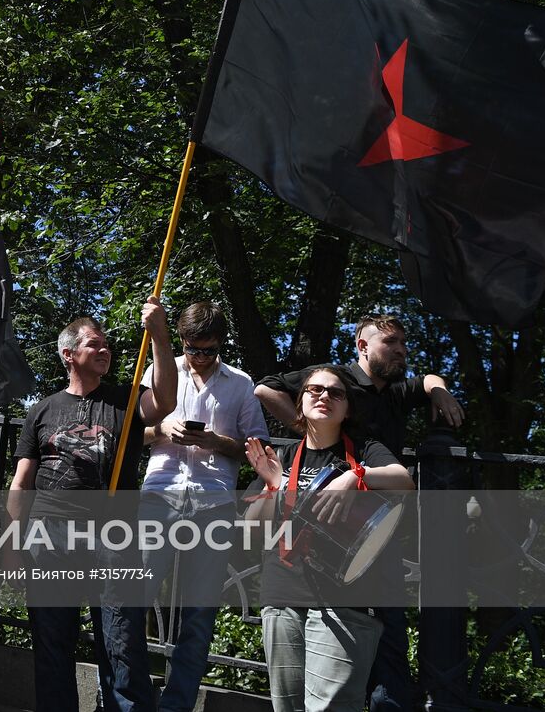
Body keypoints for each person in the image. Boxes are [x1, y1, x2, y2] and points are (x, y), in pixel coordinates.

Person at [254, 313, 464, 711]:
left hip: (376, 531)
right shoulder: (336, 380)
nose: (401, 349)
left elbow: (430, 380)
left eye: (404, 342)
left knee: (386, 644)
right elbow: (264, 389)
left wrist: (440, 393)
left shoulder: (396, 391)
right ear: (363, 346)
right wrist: (314, 435)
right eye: (391, 342)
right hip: (321, 544)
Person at [7, 302, 175, 712]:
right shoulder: (42, 410)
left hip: (113, 535)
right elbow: (22, 481)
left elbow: (166, 401)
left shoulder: (125, 398)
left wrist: (159, 334)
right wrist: (12, 537)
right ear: (69, 354)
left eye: (107, 345)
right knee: (51, 642)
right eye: (93, 344)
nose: (105, 350)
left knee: (122, 641)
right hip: (49, 537)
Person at [245, 365, 415, 712]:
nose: (324, 396)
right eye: (314, 390)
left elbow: (404, 481)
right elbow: (251, 529)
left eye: (336, 393)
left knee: (331, 708)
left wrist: (357, 476)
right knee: (287, 707)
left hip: (347, 600)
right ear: (300, 402)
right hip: (282, 595)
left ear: (347, 407)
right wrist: (274, 487)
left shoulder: (366, 449)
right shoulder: (284, 457)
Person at [136, 301, 268, 712]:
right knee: (133, 598)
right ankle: (128, 696)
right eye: (193, 349)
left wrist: (216, 442)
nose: (200, 357)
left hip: (212, 501)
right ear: (182, 341)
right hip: (159, 492)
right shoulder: (160, 369)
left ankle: (177, 705)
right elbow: (131, 433)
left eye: (208, 350)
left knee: (199, 611)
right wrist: (161, 429)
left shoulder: (241, 383)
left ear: (221, 344)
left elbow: (256, 447)